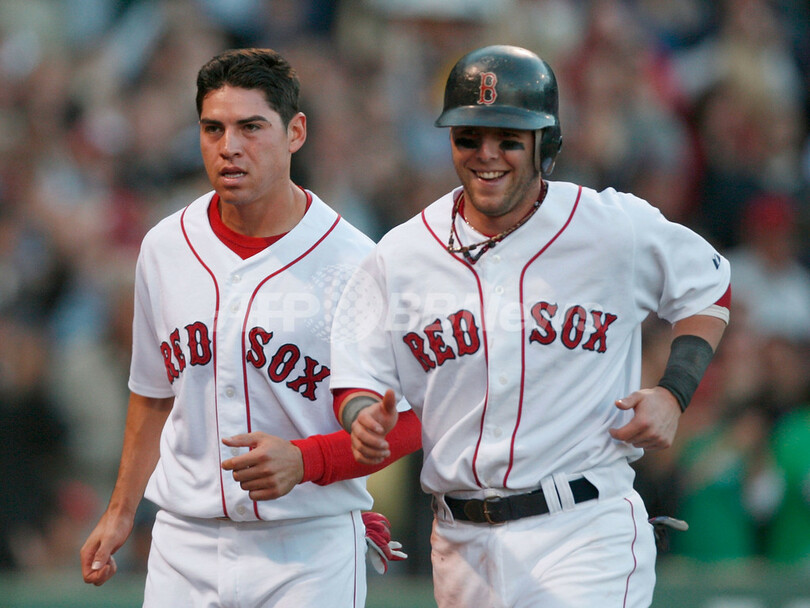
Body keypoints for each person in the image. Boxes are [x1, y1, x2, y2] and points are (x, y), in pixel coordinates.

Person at [330, 45, 731, 607]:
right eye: (469, 137)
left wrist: (674, 391)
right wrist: (362, 416)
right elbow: (357, 373)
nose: (486, 154)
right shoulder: (401, 254)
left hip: (583, 528)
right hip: (460, 544)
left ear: (547, 144)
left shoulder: (610, 227)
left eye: (508, 139)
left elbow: (709, 285)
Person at [79, 48, 420, 607]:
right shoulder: (165, 246)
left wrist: (308, 460)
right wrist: (119, 512)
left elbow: (409, 421)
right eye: (213, 128)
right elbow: (152, 394)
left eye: (251, 127)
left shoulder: (356, 262)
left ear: (295, 133)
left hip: (307, 546)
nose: (229, 146)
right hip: (183, 542)